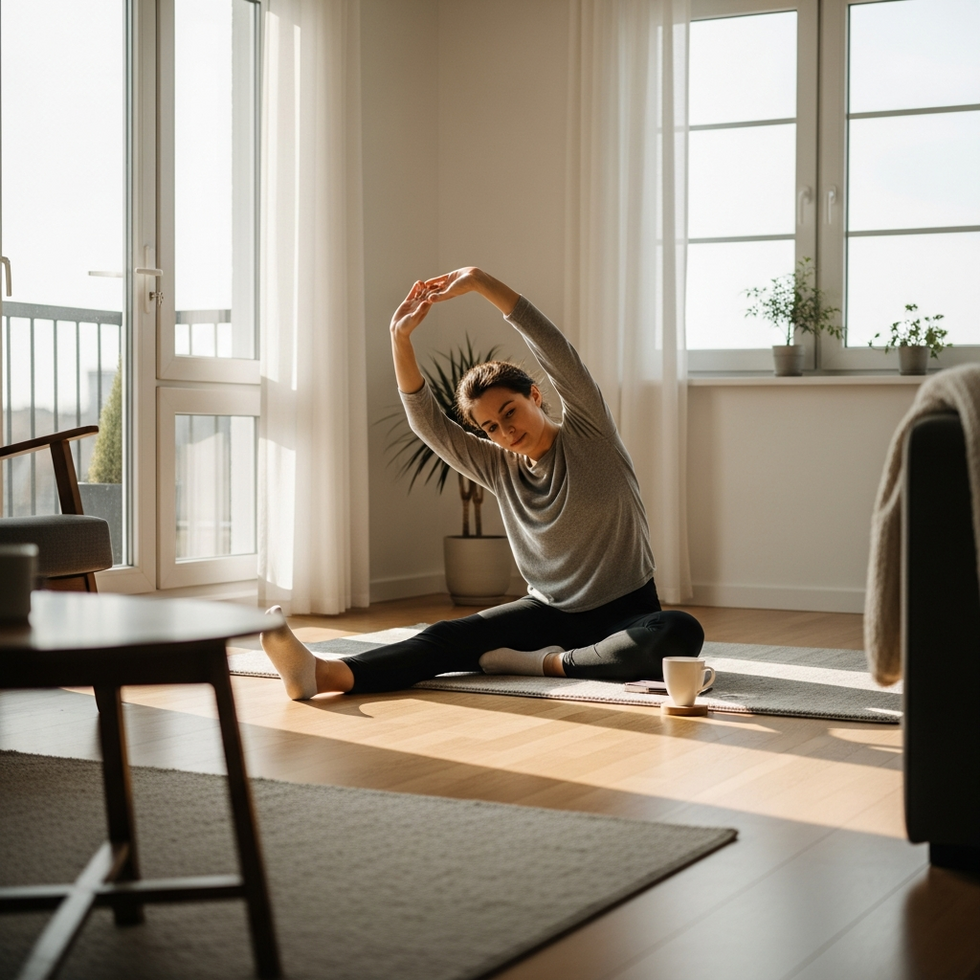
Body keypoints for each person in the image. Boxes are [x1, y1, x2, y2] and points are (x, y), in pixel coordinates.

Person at [260, 267, 704, 699]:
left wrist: (479, 281)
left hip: (625, 611)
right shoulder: (499, 467)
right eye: (491, 427)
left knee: (679, 632)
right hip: (546, 612)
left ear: (534, 395)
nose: (505, 431)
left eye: (509, 412)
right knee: (448, 635)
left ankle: (540, 664)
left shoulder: (591, 436)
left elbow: (556, 350)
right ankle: (323, 674)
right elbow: (428, 423)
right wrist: (400, 338)